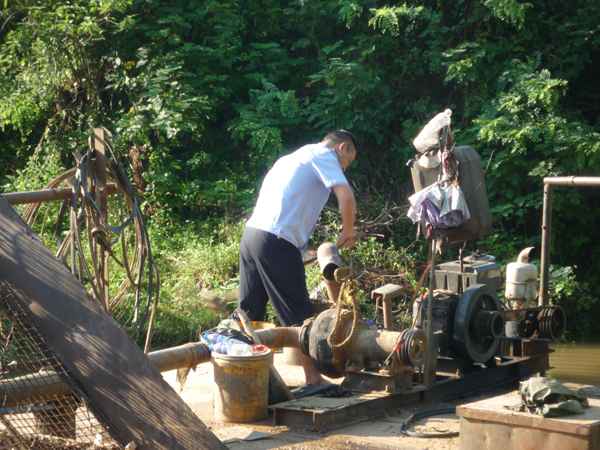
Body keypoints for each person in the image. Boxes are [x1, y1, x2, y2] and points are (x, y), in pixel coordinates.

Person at [238, 130, 358, 385]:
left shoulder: (293, 158)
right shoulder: (324, 155)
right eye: (348, 161)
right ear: (342, 148)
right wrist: (348, 231)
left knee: (249, 313)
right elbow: (345, 195)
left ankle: (245, 380)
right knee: (299, 313)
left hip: (252, 235)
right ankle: (313, 379)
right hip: (276, 240)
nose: (345, 168)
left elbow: (287, 203)